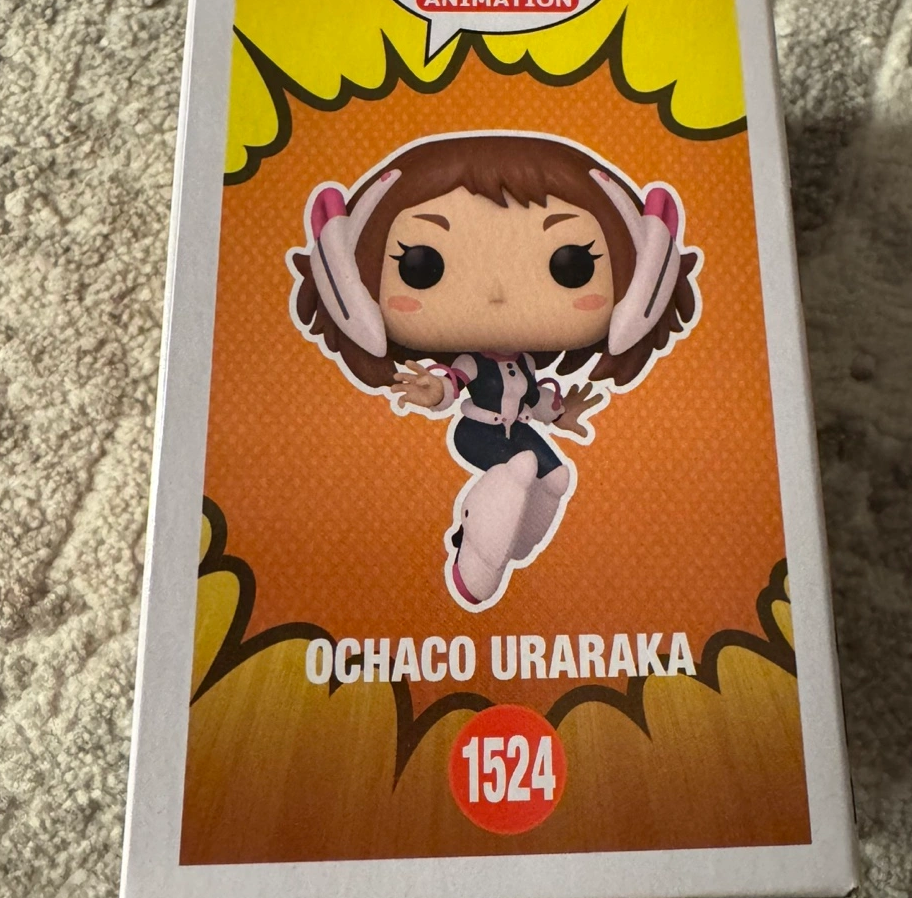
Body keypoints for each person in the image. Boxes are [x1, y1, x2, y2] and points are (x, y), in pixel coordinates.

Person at [290, 132, 701, 608]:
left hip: (516, 431)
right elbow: (454, 383)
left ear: (644, 282)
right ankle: (475, 550)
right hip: (479, 433)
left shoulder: (523, 365)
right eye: (422, 265)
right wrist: (434, 393)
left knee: (557, 479)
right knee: (521, 467)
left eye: (571, 265)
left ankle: (513, 540)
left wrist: (560, 412)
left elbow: (535, 400)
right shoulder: (474, 362)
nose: (498, 293)